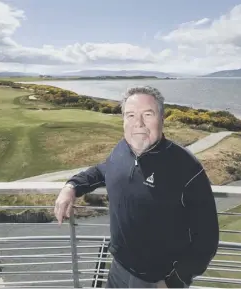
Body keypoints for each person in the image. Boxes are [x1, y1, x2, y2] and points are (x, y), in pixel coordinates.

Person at [54, 86, 219, 288]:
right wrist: (71, 187)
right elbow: (102, 171)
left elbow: (207, 238)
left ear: (161, 118)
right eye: (130, 115)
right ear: (123, 120)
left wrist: (175, 281)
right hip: (118, 270)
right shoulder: (122, 149)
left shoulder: (186, 167)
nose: (138, 123)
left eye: (147, 114)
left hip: (157, 281)